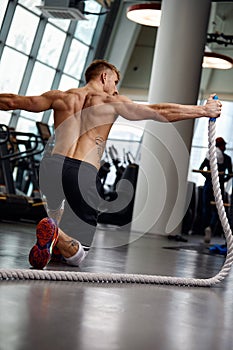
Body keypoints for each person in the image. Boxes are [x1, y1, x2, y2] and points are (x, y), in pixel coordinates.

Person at [0, 59, 222, 269]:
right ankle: (58, 237)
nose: (116, 89)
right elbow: (158, 111)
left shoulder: (60, 97)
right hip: (82, 170)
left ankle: (54, 240)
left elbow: (13, 101)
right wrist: (203, 111)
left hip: (52, 167)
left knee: (58, 213)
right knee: (80, 255)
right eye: (115, 82)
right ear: (104, 77)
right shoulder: (111, 102)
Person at [199, 137, 232, 243]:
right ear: (221, 146)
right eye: (224, 145)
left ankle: (207, 227)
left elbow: (201, 169)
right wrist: (223, 179)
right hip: (219, 185)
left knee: (206, 207)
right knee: (217, 209)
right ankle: (210, 227)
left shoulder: (210, 156)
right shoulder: (226, 158)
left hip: (209, 184)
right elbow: (230, 174)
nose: (225, 147)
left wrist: (208, 176)